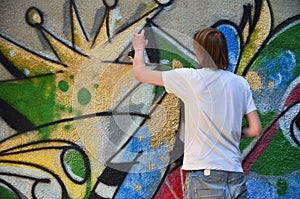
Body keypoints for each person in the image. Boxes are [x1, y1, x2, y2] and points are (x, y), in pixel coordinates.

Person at [131, 28, 262, 199]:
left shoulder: (191, 79)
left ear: (200, 52)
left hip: (205, 177)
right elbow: (256, 129)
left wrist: (139, 48)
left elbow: (140, 73)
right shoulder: (240, 84)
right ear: (223, 51)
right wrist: (232, 133)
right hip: (235, 175)